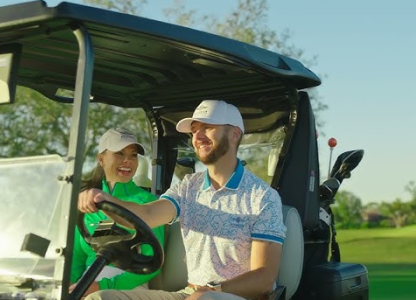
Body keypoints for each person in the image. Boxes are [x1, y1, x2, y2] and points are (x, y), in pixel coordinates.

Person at [78, 100, 286, 300]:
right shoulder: (188, 187)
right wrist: (105, 200)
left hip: (233, 296)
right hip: (191, 294)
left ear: (234, 134)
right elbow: (146, 214)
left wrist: (213, 291)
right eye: (194, 130)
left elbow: (264, 279)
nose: (198, 136)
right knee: (100, 297)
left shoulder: (262, 197)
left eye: (207, 127)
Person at [70, 127, 165, 297]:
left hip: (127, 286)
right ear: (101, 159)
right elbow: (76, 257)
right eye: (120, 154)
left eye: (133, 155)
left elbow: (153, 264)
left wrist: (101, 286)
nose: (127, 161)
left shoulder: (148, 203)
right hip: (87, 283)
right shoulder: (87, 203)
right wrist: (68, 287)